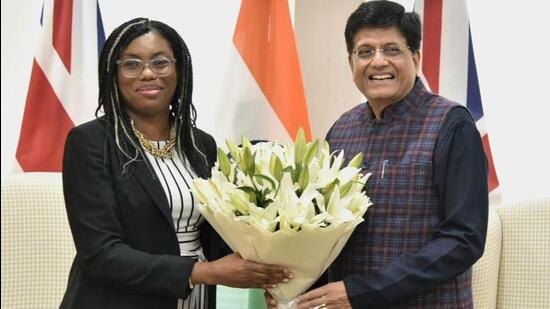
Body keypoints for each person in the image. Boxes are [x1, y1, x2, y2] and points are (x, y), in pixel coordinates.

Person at [267, 1, 488, 308]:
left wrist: (361, 291)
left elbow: (463, 240)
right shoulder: (342, 130)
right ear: (351, 62)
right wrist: (296, 290)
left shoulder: (451, 124)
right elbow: (323, 230)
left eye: (391, 49)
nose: (378, 61)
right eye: (365, 51)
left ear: (416, 57)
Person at [60, 18, 292, 309]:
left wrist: (273, 249)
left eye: (160, 62)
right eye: (132, 64)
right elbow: (101, 254)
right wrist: (203, 273)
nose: (147, 73)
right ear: (113, 74)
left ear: (178, 70)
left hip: (194, 300)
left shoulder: (200, 144)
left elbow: (215, 234)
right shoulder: (91, 143)